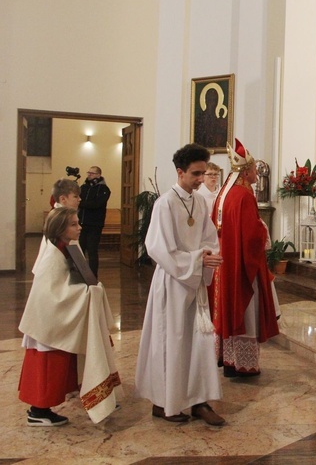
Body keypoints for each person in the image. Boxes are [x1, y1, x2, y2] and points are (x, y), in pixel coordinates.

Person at [134, 143, 226, 426]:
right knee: (171, 342)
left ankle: (199, 400)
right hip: (172, 283)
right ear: (180, 171)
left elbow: (210, 238)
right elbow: (159, 248)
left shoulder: (199, 202)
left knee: (198, 343)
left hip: (195, 283)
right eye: (196, 173)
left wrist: (208, 255)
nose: (201, 179)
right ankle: (164, 402)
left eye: (204, 173)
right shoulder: (165, 204)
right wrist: (198, 260)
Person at [19, 207, 122, 426]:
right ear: (60, 228)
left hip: (54, 324)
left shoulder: (66, 247)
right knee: (47, 369)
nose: (79, 227)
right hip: (47, 326)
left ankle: (43, 408)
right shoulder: (52, 255)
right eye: (74, 224)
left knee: (60, 368)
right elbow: (55, 296)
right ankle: (38, 411)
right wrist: (89, 292)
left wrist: (89, 288)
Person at [210, 139, 280, 377]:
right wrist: (264, 233)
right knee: (245, 312)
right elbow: (251, 234)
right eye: (254, 171)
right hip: (241, 264)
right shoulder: (242, 195)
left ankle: (229, 360)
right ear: (246, 171)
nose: (257, 175)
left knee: (228, 308)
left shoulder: (224, 193)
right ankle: (243, 365)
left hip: (225, 262)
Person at [78, 166, 111, 277]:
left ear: (98, 175)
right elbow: (78, 199)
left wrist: (81, 203)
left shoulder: (104, 189)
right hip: (82, 223)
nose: (89, 175)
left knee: (92, 250)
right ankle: (80, 274)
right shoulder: (83, 187)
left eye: (92, 173)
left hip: (95, 225)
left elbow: (97, 204)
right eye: (88, 173)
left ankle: (92, 276)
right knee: (80, 250)